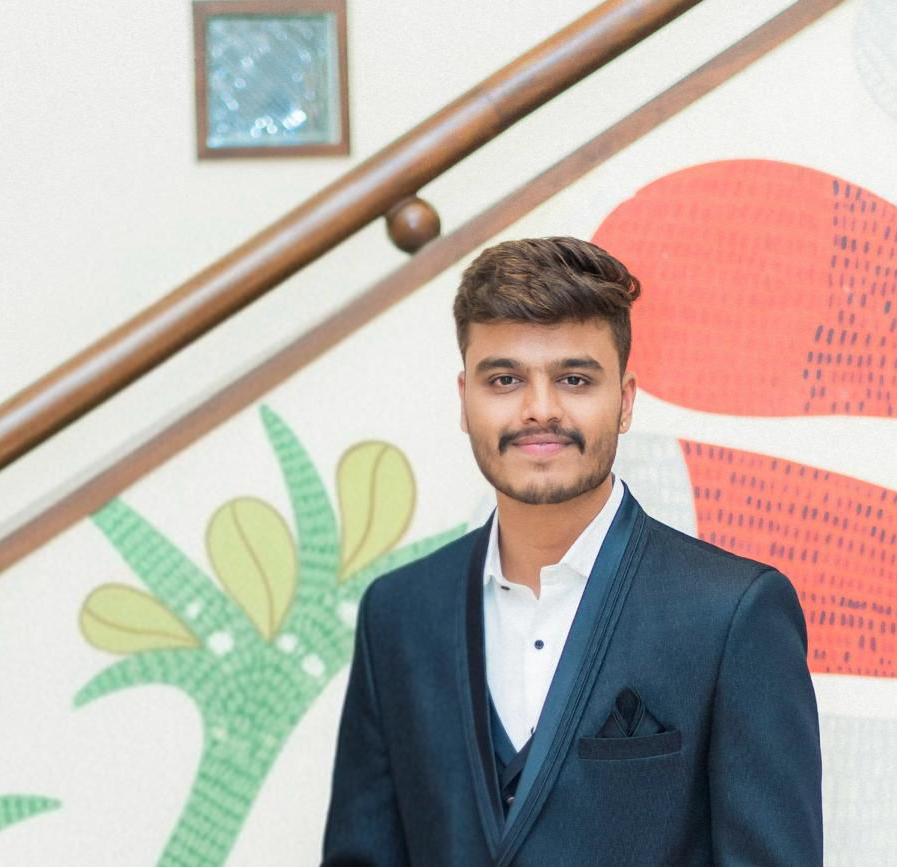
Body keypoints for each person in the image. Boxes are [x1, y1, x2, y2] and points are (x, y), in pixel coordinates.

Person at [321, 237, 822, 866]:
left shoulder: (732, 614)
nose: (540, 410)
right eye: (505, 380)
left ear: (625, 401)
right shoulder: (397, 615)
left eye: (574, 379)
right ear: (464, 399)